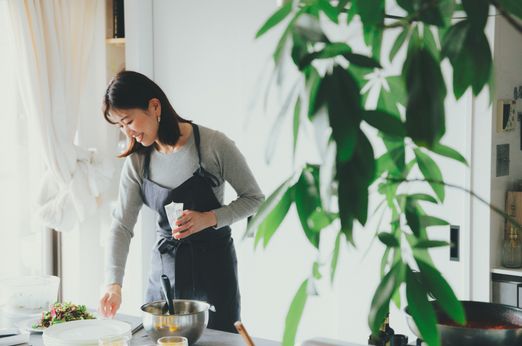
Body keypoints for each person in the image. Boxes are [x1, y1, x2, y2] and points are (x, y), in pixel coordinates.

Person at [98, 70, 264, 333]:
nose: (127, 133)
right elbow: (121, 226)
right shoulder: (138, 162)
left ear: (154, 107)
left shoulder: (213, 145)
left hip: (215, 272)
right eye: (120, 126)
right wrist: (113, 284)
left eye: (128, 121)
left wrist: (210, 218)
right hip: (165, 275)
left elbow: (254, 198)